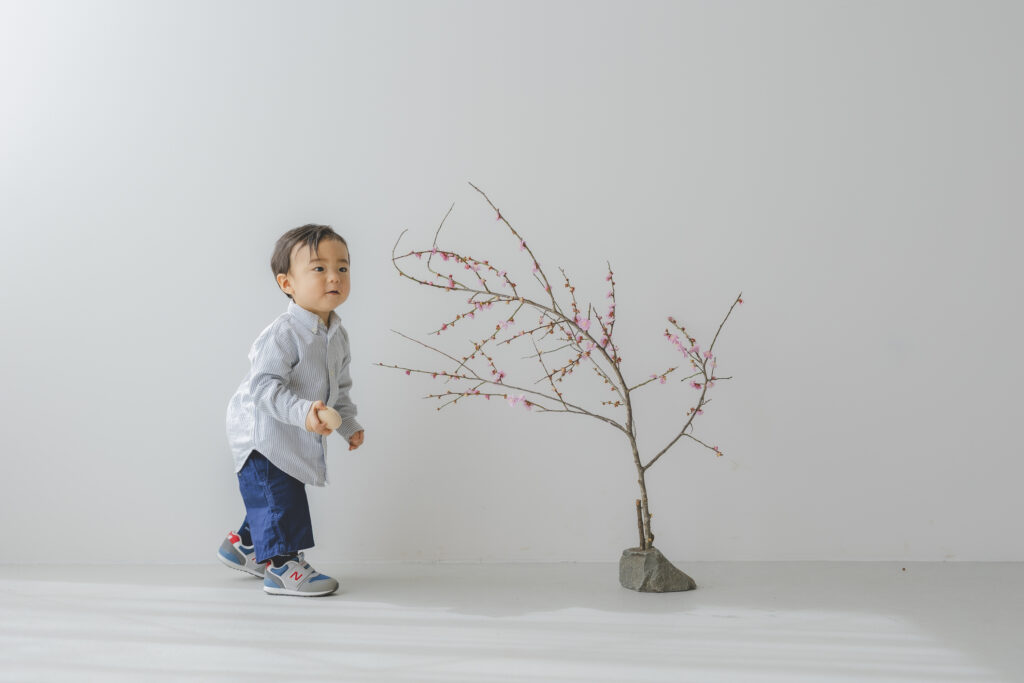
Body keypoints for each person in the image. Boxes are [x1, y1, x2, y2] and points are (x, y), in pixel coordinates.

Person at [217, 224, 365, 596]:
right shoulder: (284, 333)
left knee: (274, 495)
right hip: (261, 432)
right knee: (282, 497)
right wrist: (303, 412)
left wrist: (348, 424)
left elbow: (338, 388)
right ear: (287, 283)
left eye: (342, 268)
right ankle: (282, 567)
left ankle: (245, 546)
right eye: (319, 268)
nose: (334, 277)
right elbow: (263, 387)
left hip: (290, 432)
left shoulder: (337, 336)